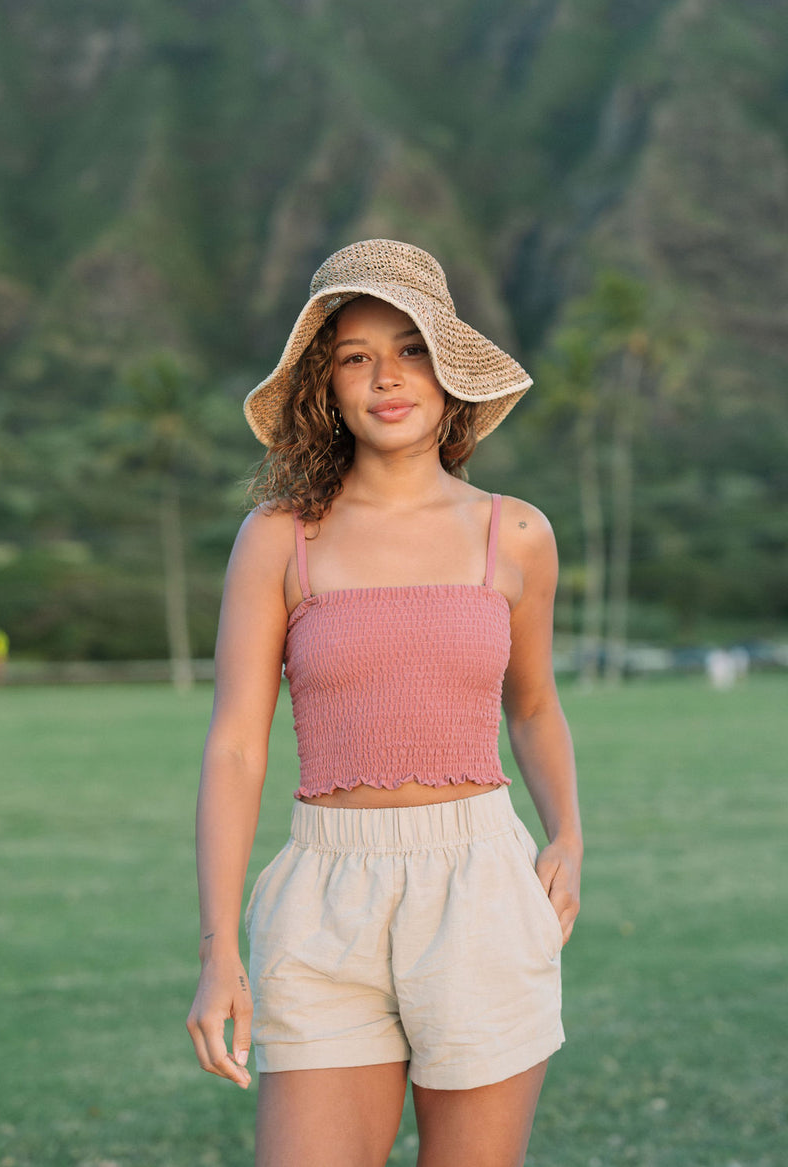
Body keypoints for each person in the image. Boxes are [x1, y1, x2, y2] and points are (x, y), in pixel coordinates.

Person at [186, 239, 582, 1167]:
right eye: (356, 356)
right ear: (327, 386)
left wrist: (566, 832)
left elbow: (533, 706)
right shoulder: (279, 537)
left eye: (410, 348)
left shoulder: (514, 534)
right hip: (322, 898)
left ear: (449, 370)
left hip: (481, 888)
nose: (387, 377)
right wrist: (217, 949)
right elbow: (237, 747)